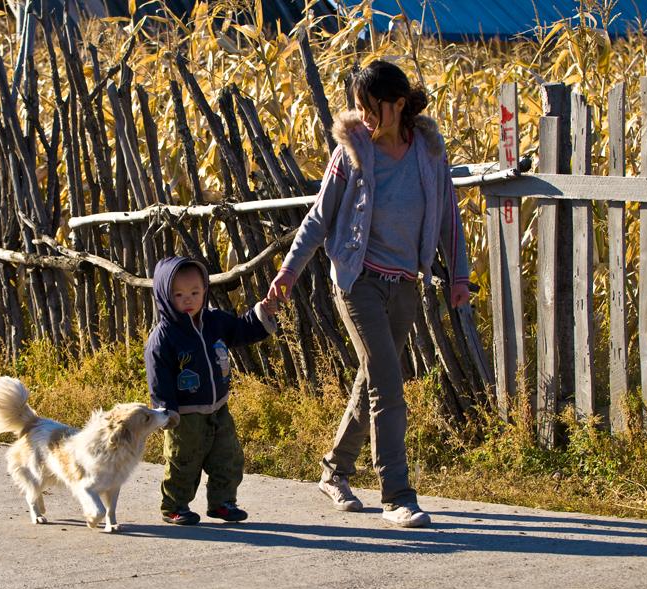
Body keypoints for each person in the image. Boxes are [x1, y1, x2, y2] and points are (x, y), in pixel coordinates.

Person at [267, 60, 471, 527]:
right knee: (388, 383)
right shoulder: (352, 150)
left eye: (373, 107)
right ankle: (397, 494)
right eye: (358, 107)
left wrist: (458, 276)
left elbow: (448, 219)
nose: (365, 116)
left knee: (372, 378)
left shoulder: (427, 151)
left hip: (404, 285)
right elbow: (319, 218)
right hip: (358, 282)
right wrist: (288, 271)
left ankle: (334, 470)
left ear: (399, 104)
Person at [145, 256, 278, 525]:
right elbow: (159, 378)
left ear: (205, 290)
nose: (188, 300)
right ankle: (175, 505)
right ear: (164, 295)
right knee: (183, 462)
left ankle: (222, 502)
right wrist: (165, 411)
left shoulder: (215, 321)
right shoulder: (164, 336)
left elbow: (242, 330)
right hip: (184, 416)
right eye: (179, 294)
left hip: (219, 409)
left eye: (195, 292)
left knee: (228, 457)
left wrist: (263, 312)